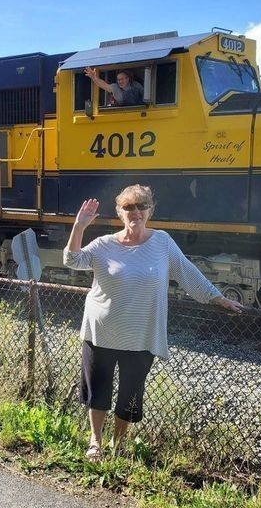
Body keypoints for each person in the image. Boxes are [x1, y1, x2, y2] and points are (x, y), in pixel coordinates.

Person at [63, 185, 243, 462]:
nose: (135, 212)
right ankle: (95, 442)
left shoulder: (162, 242)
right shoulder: (104, 245)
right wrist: (79, 226)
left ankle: (118, 444)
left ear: (150, 210)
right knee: (98, 390)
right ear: (120, 212)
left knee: (129, 395)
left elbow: (186, 272)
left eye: (141, 206)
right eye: (129, 207)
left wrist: (217, 298)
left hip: (141, 334)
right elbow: (72, 260)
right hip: (102, 331)